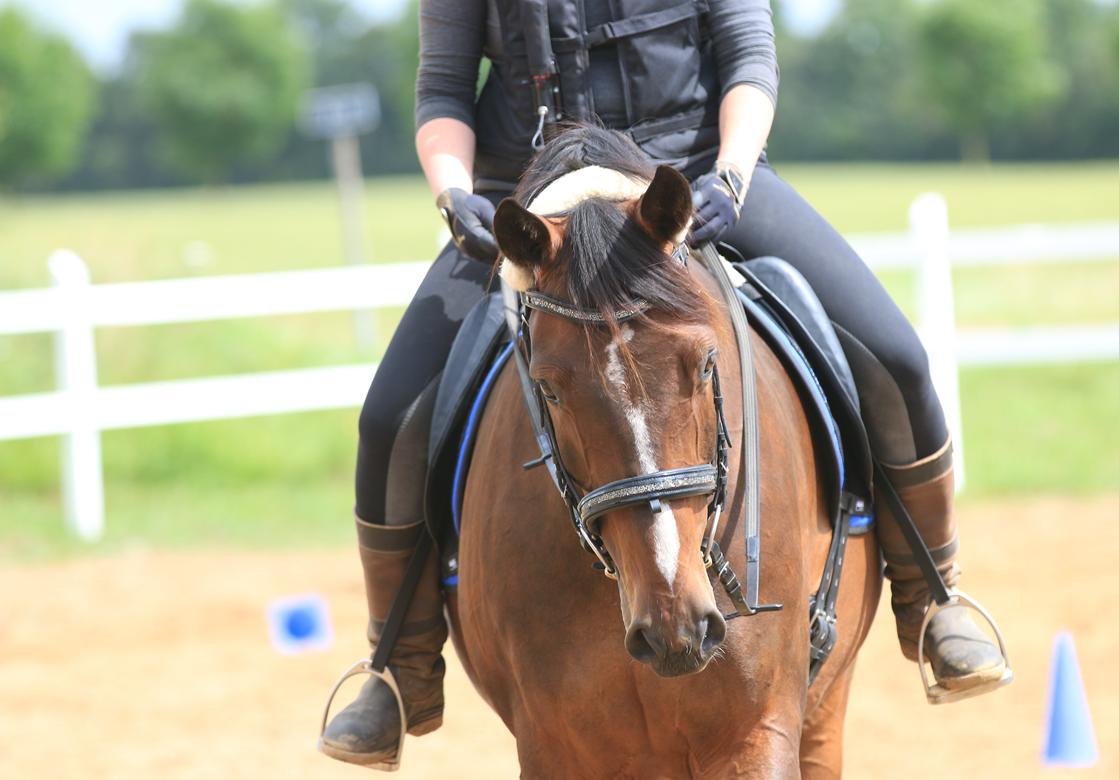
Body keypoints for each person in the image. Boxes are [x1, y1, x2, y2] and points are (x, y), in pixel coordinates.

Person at [320, 0, 1007, 769]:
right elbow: (443, 89)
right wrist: (454, 196)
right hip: (533, 200)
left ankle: (932, 596)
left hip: (686, 182)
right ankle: (400, 661)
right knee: (390, 416)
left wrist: (734, 174)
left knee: (896, 356)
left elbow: (748, 52)